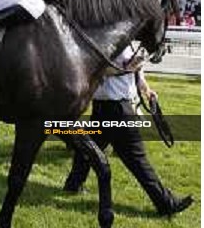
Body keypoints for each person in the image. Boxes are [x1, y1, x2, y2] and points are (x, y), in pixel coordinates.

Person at [64, 45, 194, 217]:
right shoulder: (106, 41)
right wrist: (126, 68)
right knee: (137, 159)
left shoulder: (131, 42)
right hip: (115, 109)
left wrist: (146, 90)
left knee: (88, 150)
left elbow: (137, 72)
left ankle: (73, 184)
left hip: (116, 107)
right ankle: (166, 204)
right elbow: (97, 69)